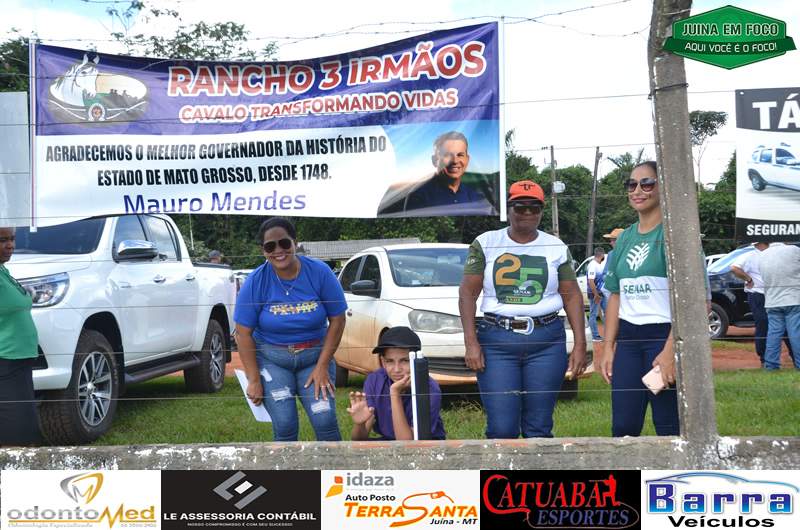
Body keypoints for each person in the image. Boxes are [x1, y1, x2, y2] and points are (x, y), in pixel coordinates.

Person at [459, 180, 587, 438]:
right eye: (520, 207)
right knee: (502, 428)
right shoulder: (486, 242)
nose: (527, 213)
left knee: (539, 427)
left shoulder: (555, 246)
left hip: (546, 341)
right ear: (509, 209)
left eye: (534, 207)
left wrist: (580, 343)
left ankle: (535, 466)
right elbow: (467, 293)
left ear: (541, 211)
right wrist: (471, 342)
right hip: (497, 341)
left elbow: (572, 295)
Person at [234, 217, 347, 441]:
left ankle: (333, 464)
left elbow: (338, 319)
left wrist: (323, 366)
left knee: (324, 419)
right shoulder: (256, 281)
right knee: (285, 423)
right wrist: (254, 379)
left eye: (284, 243)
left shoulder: (320, 272)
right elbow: (242, 334)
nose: (278, 250)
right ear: (263, 250)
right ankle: (285, 465)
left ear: (295, 243)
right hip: (273, 360)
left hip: (314, 358)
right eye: (270, 246)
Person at [600, 161, 683, 437]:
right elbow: (615, 295)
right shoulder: (624, 238)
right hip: (629, 340)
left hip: (663, 337)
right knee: (623, 427)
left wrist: (671, 351)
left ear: (663, 187)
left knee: (668, 425)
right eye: (631, 184)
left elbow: (695, 303)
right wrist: (608, 348)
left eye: (647, 184)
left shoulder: (675, 236)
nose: (638, 190)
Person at [348, 326, 445, 441]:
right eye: (390, 361)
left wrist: (395, 393)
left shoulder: (429, 389)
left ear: (417, 361)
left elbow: (407, 445)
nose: (397, 369)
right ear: (383, 362)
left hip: (424, 445)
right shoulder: (374, 380)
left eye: (404, 361)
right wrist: (360, 424)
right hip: (390, 441)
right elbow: (358, 441)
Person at [377, 131, 493, 216]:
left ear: (467, 159)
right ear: (434, 160)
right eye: (447, 155)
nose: (455, 161)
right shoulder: (416, 197)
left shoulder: (476, 197)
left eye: (460, 155)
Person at [0, 227, 42, 446]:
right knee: (18, 432)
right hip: (5, 362)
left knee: (23, 426)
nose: (10, 245)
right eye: (2, 240)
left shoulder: (3, 271)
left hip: (18, 361)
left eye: (12, 239)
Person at [758, 242, 800, 370]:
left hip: (772, 301)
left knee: (773, 334)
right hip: (793, 299)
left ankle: (771, 365)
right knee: (795, 333)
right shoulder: (794, 250)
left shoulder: (762, 255)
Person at [730, 242, 771, 365]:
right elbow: (734, 268)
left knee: (772, 324)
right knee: (763, 324)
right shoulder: (750, 255)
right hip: (758, 294)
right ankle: (763, 357)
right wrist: (749, 279)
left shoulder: (771, 253)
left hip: (771, 293)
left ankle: (771, 356)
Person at [587, 246, 607, 342]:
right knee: (593, 314)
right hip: (594, 293)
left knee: (607, 312)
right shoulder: (592, 265)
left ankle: (608, 334)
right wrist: (596, 294)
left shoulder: (599, 264)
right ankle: (595, 336)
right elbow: (591, 281)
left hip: (601, 292)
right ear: (602, 254)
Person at [600, 228, 623, 300]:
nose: (610, 243)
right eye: (611, 240)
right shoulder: (611, 254)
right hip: (614, 290)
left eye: (613, 240)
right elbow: (605, 274)